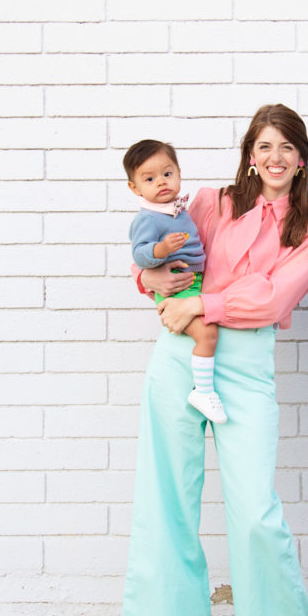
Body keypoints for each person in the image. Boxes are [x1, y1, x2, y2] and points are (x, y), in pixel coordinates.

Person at [119, 104, 308, 616]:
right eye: (264, 147)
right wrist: (153, 284)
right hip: (177, 357)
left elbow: (271, 297)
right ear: (249, 153)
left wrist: (200, 307)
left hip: (244, 368)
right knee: (170, 505)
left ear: (301, 157)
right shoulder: (211, 202)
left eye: (286, 147)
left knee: (257, 511)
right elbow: (163, 259)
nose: (275, 158)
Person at [123, 139, 226, 423]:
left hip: (193, 283)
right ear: (135, 188)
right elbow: (140, 254)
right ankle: (203, 392)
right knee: (207, 334)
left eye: (168, 174)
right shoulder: (149, 218)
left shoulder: (177, 211)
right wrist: (161, 250)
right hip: (177, 286)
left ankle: (199, 385)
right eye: (150, 178)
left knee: (208, 331)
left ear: (178, 173)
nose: (161, 183)